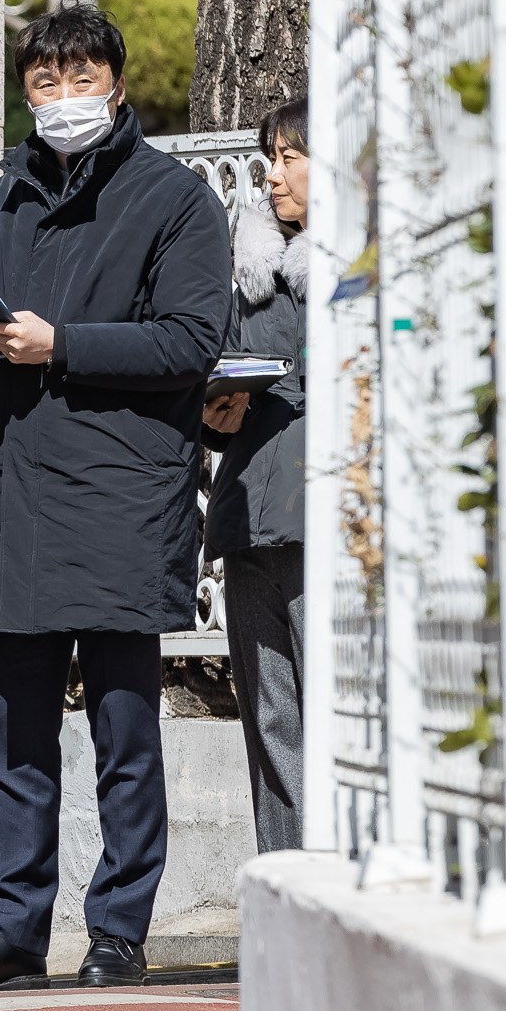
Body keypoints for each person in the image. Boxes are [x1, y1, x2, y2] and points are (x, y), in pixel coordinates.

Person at [0, 4, 231, 994]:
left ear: (119, 82)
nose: (60, 99)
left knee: (124, 730)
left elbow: (189, 341)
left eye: (79, 77)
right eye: (43, 83)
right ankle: (11, 926)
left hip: (122, 490)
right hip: (17, 485)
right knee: (12, 729)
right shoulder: (5, 192)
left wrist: (63, 342)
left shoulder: (173, 197)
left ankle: (116, 929)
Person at [202, 98, 310, 853]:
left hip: (332, 517)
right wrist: (216, 413)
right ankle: (285, 880)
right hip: (249, 518)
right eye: (268, 158)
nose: (272, 175)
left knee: (342, 715)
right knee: (269, 716)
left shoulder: (368, 266)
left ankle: (347, 875)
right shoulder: (249, 271)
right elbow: (215, 382)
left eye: (288, 157)